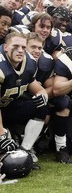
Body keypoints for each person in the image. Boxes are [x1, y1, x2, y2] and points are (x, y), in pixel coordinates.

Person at [0, 32, 48, 168]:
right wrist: (2, 135)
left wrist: (43, 96)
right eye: (15, 46)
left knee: (42, 105)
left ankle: (25, 150)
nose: (20, 51)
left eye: (23, 47)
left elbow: (39, 89)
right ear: (5, 47)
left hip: (8, 109)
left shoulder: (29, 63)